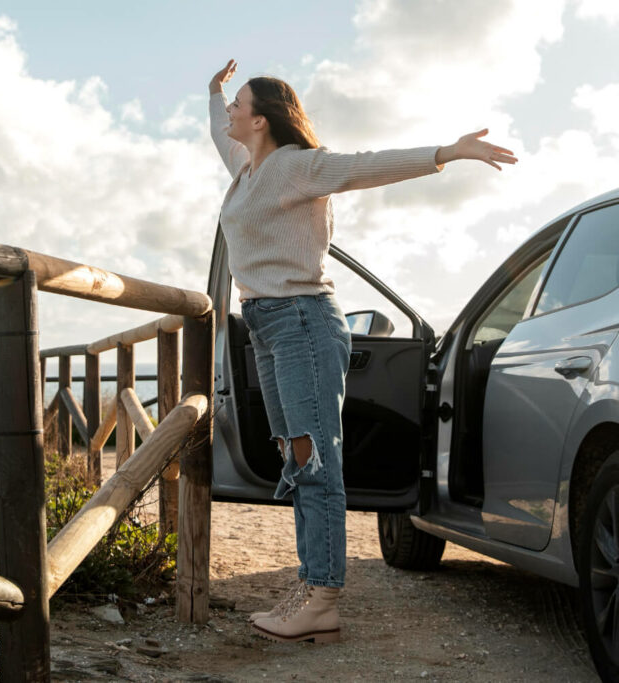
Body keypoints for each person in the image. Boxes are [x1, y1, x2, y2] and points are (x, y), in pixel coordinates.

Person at [207, 58, 516, 644]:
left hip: (302, 321)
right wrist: (213, 90)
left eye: (236, 105)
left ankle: (322, 597)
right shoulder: (246, 168)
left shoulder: (298, 167)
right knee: (294, 457)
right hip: (267, 325)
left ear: (262, 119)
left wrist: (445, 153)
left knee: (314, 458)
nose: (228, 114)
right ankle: (310, 582)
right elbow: (214, 130)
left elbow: (367, 167)